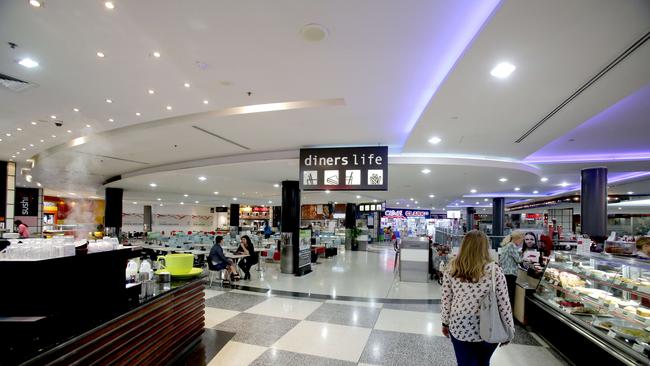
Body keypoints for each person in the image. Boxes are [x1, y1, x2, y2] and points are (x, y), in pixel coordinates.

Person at [441, 230, 515, 366]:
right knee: (483, 362)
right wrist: (509, 329)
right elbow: (504, 302)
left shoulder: (451, 268)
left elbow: (446, 299)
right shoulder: (494, 270)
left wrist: (445, 323)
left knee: (465, 362)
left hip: (459, 325)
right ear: (485, 247)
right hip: (489, 325)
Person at [499, 231, 524, 305]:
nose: (521, 242)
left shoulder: (506, 245)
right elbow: (518, 260)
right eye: (521, 240)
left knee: (506, 293)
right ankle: (510, 312)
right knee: (510, 295)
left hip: (505, 273)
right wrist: (527, 258)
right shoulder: (511, 245)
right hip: (510, 273)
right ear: (517, 239)